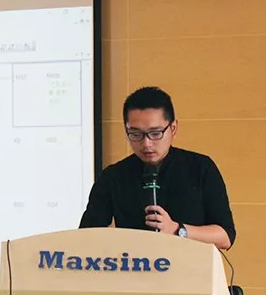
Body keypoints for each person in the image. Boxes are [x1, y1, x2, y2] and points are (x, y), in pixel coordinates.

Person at [79, 86, 236, 250]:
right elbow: (86, 236)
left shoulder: (201, 167)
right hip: (134, 264)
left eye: (155, 133)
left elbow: (226, 237)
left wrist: (177, 230)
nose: (146, 143)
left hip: (189, 264)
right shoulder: (113, 176)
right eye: (136, 134)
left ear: (173, 128)